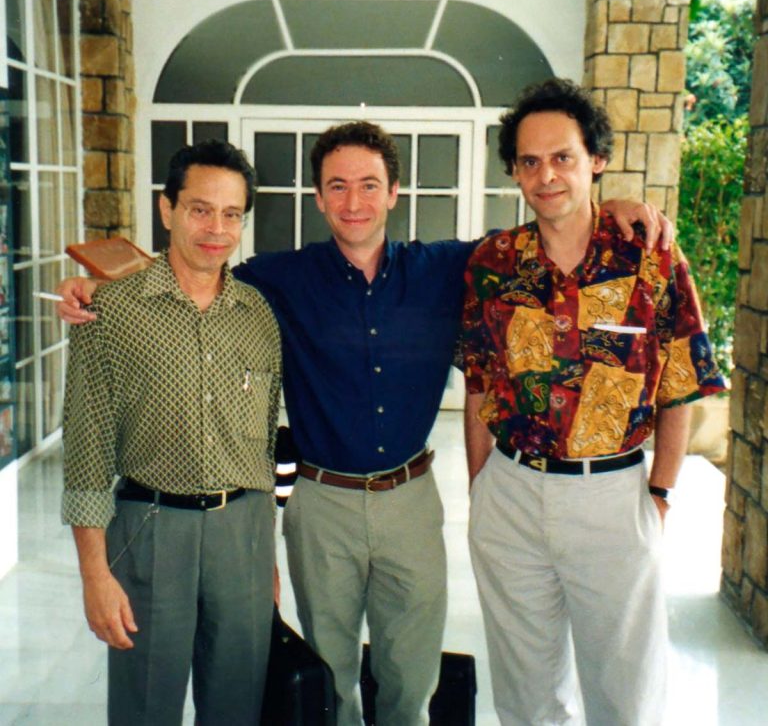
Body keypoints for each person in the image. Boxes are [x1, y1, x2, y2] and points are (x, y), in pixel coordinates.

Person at [59, 121, 671, 726]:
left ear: (394, 193)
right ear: (319, 197)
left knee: (412, 676)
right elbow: (192, 271)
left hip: (410, 499)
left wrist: (608, 204)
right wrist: (98, 287)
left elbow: (544, 231)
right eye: (338, 186)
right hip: (322, 504)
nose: (355, 202)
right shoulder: (277, 280)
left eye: (370, 185)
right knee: (330, 680)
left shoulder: (449, 268)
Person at [462, 79, 726, 726]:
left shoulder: (650, 255)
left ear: (595, 160)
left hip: (611, 495)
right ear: (515, 172)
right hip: (512, 494)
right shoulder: (494, 263)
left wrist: (659, 495)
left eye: (563, 157)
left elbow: (679, 386)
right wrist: (482, 489)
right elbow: (477, 380)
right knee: (526, 696)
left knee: (626, 694)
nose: (545, 175)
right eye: (529, 161)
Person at [61, 140, 281, 726]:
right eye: (200, 209)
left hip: (245, 537)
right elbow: (85, 454)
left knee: (237, 707)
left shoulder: (258, 315)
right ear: (167, 210)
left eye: (232, 214)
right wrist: (94, 575)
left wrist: (269, 560)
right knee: (145, 709)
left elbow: (263, 448)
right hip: (151, 533)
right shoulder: (111, 308)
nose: (217, 229)